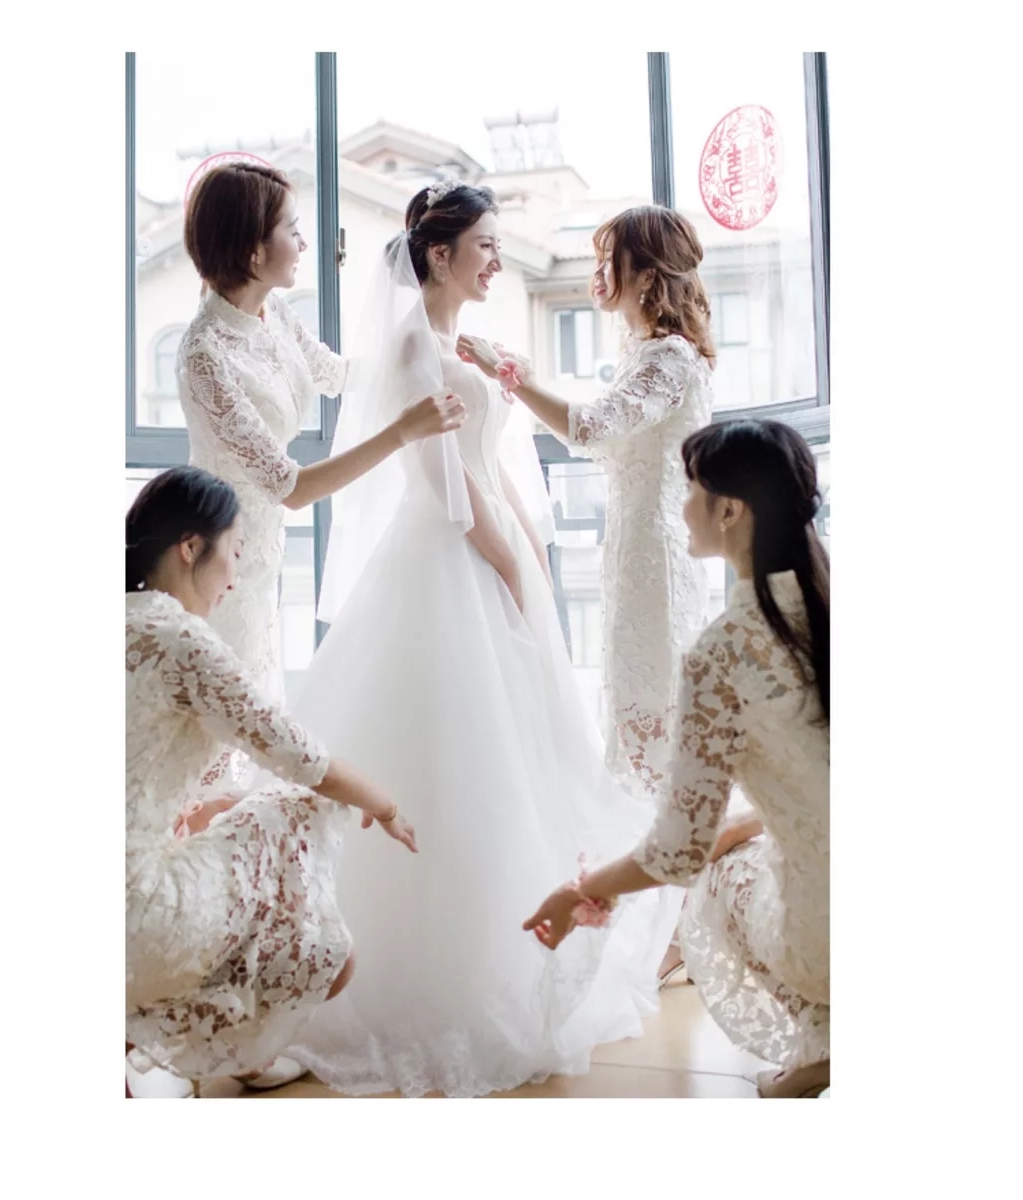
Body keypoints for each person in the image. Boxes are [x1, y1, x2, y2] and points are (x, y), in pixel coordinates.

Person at [279, 181, 677, 1098]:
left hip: (494, 546)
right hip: (447, 559)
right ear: (439, 254)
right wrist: (509, 569)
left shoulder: (461, 343)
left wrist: (530, 560)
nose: (497, 259)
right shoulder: (413, 344)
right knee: (451, 754)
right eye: (486, 245)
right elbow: (448, 489)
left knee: (508, 754)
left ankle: (520, 939)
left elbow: (492, 466)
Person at [523, 419, 830, 1099]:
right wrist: (749, 824)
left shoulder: (724, 652)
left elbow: (676, 854)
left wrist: (582, 891)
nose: (682, 505)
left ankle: (828, 1040)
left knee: (717, 877)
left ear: (729, 510)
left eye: (689, 489)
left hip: (832, 932)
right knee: (748, 839)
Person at [125, 466, 417, 1097]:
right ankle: (220, 1030)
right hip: (133, 917)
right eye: (234, 552)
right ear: (190, 547)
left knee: (236, 813)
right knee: (298, 810)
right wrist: (387, 804)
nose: (236, 576)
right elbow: (301, 756)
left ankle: (191, 1035)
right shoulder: (179, 638)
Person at [177, 159, 465, 715]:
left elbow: (339, 375)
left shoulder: (275, 313)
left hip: (262, 548)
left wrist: (429, 348)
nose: (304, 244)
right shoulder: (204, 354)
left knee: (258, 699)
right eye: (292, 230)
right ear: (253, 251)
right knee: (227, 710)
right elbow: (291, 488)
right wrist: (402, 431)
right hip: (213, 553)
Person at [456, 205, 714, 799]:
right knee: (633, 684)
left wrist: (508, 375)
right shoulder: (645, 351)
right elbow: (614, 435)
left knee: (652, 688)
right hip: (634, 541)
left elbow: (593, 426)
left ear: (647, 275)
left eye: (608, 260)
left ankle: (665, 817)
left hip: (658, 549)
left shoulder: (670, 356)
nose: (597, 274)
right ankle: (649, 813)